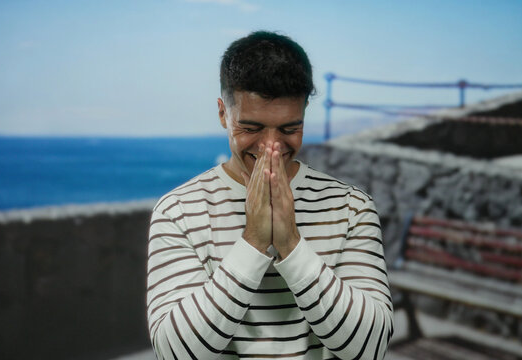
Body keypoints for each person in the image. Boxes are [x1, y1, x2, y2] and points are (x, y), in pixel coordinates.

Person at [146, 31, 393, 359]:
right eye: (251, 128)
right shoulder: (177, 211)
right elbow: (174, 353)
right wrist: (253, 242)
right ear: (223, 114)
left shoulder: (351, 208)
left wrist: (290, 243)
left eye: (290, 129)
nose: (271, 147)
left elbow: (370, 348)